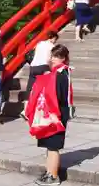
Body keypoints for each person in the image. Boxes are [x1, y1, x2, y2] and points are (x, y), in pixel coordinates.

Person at [34, 44, 72, 186]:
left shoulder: (61, 74)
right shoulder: (57, 72)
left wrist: (55, 114)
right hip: (52, 111)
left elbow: (58, 96)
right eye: (53, 55)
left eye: (57, 56)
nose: (53, 59)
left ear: (63, 58)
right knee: (49, 145)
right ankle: (49, 172)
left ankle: (54, 176)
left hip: (57, 112)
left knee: (53, 146)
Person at [20, 31, 59, 120]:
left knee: (30, 88)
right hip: (44, 67)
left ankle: (25, 110)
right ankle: (45, 110)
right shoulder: (52, 46)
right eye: (55, 40)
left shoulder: (39, 43)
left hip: (33, 66)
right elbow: (50, 59)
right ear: (53, 38)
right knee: (45, 89)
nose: (55, 41)